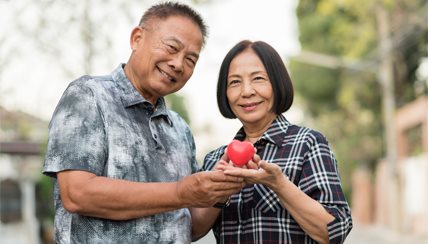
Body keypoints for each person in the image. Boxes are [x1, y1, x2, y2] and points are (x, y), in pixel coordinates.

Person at [43, 2, 245, 243]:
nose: (178, 64)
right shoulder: (89, 95)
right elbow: (77, 194)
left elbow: (188, 227)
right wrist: (181, 192)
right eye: (172, 47)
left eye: (191, 60)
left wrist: (219, 191)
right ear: (137, 38)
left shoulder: (180, 129)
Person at [193, 40, 353, 243]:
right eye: (235, 82)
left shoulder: (308, 144)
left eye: (258, 78)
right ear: (225, 93)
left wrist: (279, 185)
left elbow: (335, 232)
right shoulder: (215, 160)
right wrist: (219, 192)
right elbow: (193, 231)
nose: (247, 91)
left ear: (277, 84)